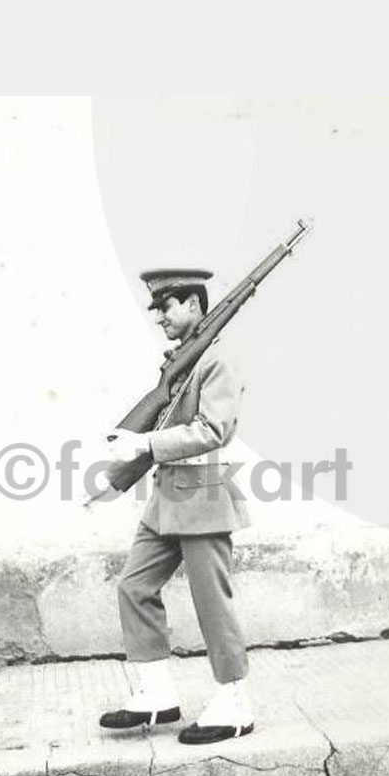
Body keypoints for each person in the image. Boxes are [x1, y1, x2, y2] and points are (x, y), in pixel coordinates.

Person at [99, 268, 254, 744]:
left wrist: (145, 443)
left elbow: (212, 430)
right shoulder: (181, 363)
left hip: (203, 496)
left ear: (192, 305)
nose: (160, 317)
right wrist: (114, 481)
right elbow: (162, 421)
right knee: (134, 586)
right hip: (166, 498)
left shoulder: (217, 361)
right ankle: (156, 695)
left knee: (212, 605)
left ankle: (234, 704)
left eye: (166, 307)